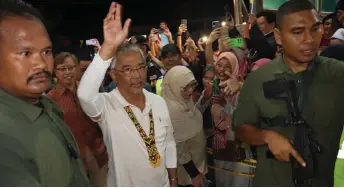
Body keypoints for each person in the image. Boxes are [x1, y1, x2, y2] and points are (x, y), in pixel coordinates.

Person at [233, 0, 344, 186]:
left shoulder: (338, 74)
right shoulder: (258, 79)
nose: (309, 39)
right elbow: (241, 128)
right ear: (278, 36)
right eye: (298, 32)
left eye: (315, 29)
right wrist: (266, 137)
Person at [77, 2, 177, 186]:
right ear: (113, 74)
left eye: (140, 67)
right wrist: (108, 47)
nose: (137, 75)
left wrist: (173, 180)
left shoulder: (158, 102)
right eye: (128, 70)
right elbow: (84, 95)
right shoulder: (107, 105)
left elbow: (169, 143)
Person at [0, 0, 89, 186]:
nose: (41, 64)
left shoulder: (47, 106)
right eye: (25, 53)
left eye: (46, 51)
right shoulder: (5, 137)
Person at [47, 52, 108, 186]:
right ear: (55, 72)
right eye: (62, 69)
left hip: (99, 153)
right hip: (72, 159)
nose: (67, 72)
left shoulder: (90, 91)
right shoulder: (50, 99)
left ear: (78, 68)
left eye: (71, 67)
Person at [161, 66, 207, 187]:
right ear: (174, 87)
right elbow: (179, 149)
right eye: (185, 87)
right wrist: (194, 174)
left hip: (197, 167)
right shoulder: (171, 111)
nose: (190, 90)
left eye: (192, 85)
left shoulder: (184, 102)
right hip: (187, 176)